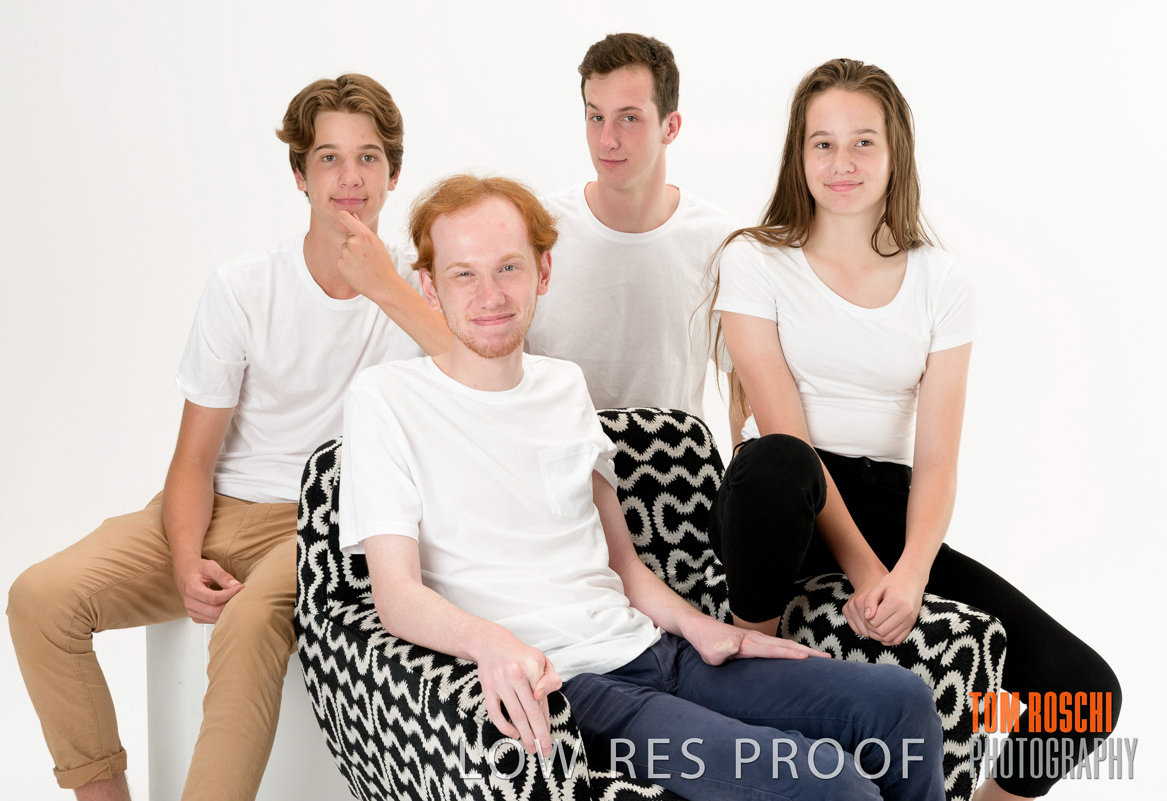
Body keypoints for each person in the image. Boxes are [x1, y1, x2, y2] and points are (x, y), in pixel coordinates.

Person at [339, 173, 946, 801]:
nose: (490, 294)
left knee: (900, 704)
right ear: (429, 286)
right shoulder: (387, 399)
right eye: (463, 274)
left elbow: (623, 565)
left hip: (656, 652)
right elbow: (396, 595)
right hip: (576, 692)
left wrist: (705, 629)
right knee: (827, 785)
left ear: (543, 272)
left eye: (508, 268)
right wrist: (490, 643)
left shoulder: (563, 385)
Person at [7, 74, 449, 801]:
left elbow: (474, 377)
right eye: (329, 158)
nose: (349, 178)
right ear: (300, 176)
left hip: (323, 522)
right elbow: (193, 457)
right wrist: (186, 559)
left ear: (393, 174)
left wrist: (386, 287)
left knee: (246, 627)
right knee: (40, 599)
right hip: (215, 507)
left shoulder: (419, 290)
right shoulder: (243, 287)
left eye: (368, 158)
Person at [708, 58, 1120, 800]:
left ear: (895, 152)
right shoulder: (754, 261)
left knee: (1084, 693)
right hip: (777, 509)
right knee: (779, 460)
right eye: (823, 143)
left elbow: (936, 463)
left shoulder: (941, 281)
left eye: (862, 142)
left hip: (891, 509)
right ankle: (746, 674)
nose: (842, 162)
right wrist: (868, 573)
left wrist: (911, 573)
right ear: (798, 155)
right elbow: (789, 440)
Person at [524, 33, 733, 418]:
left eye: (629, 118)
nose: (606, 141)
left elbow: (745, 378)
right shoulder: (537, 229)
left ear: (670, 127)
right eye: (596, 117)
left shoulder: (718, 241)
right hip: (559, 452)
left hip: (673, 454)